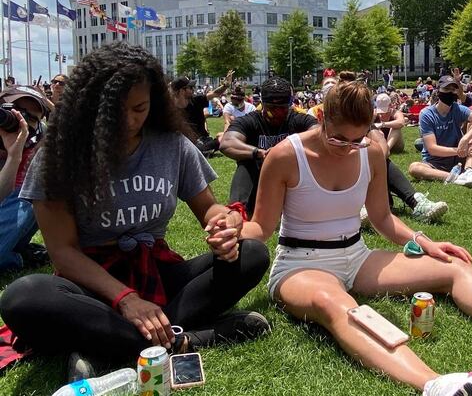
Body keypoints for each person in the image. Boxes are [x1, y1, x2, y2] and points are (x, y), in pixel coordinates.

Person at [241, 77, 472, 395]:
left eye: (358, 140)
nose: (348, 149)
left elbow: (382, 218)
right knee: (333, 302)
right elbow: (263, 227)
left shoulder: (371, 151)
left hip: (356, 256)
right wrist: (234, 230)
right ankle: (434, 384)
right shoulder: (285, 156)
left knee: (453, 265)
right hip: (301, 266)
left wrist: (424, 241)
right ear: (321, 119)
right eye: (339, 139)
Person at [0, 43, 271, 383]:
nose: (129, 121)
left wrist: (225, 223)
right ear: (89, 108)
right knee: (22, 297)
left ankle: (107, 345)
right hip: (91, 283)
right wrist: (127, 300)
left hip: (156, 272)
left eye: (140, 108)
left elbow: (209, 209)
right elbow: (64, 253)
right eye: (115, 112)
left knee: (251, 254)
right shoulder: (58, 154)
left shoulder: (170, 144)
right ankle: (188, 338)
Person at [220, 77, 318, 216]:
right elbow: (227, 143)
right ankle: (238, 212)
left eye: (282, 108)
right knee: (247, 164)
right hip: (260, 175)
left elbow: (319, 135)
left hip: (292, 176)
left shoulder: (298, 119)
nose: (277, 113)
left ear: (290, 104)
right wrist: (258, 152)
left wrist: (286, 150)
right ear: (262, 104)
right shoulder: (250, 120)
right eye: (272, 108)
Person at [0, 86, 50, 272]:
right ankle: (22, 255)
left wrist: (14, 156)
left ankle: (17, 256)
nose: (20, 120)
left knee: (28, 194)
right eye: (15, 110)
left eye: (30, 118)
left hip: (13, 207)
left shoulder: (29, 148)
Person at [408, 75, 472, 188]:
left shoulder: (457, 108)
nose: (450, 93)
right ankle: (458, 178)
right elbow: (432, 149)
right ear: (438, 90)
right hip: (435, 162)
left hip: (458, 159)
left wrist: (466, 139)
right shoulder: (426, 114)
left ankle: (469, 170)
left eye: (453, 90)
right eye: (446, 89)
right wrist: (460, 150)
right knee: (414, 168)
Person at [171, 70, 234, 156]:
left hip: (201, 139)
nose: (193, 89)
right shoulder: (170, 106)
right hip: (184, 140)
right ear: (182, 90)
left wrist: (226, 85)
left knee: (198, 150)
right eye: (190, 87)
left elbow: (215, 93)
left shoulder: (197, 100)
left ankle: (217, 141)